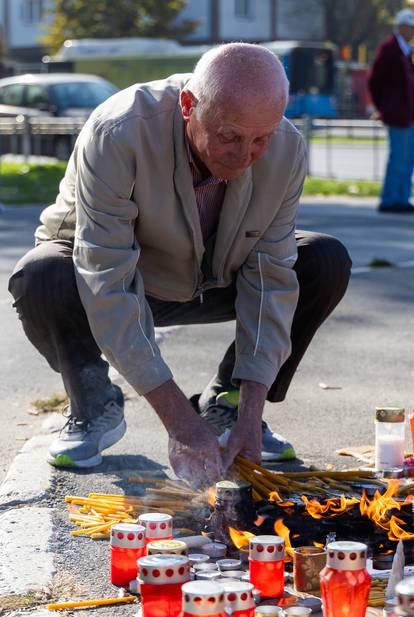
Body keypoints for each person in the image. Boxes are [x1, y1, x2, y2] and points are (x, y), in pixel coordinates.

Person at [8, 43, 351, 486]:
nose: (244, 154)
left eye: (260, 138)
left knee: (323, 259)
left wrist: (251, 411)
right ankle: (93, 402)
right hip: (117, 281)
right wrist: (181, 424)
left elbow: (272, 275)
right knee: (42, 273)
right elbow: (105, 276)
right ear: (189, 106)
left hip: (211, 280)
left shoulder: (286, 148)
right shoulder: (119, 132)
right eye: (229, 135)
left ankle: (225, 403)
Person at [369, 8, 414, 214]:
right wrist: (383, 107)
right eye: (410, 26)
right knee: (398, 158)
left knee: (408, 159)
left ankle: (402, 198)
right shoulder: (390, 49)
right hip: (398, 114)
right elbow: (375, 81)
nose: (412, 31)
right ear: (401, 26)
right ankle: (389, 200)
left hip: (408, 113)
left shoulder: (406, 50)